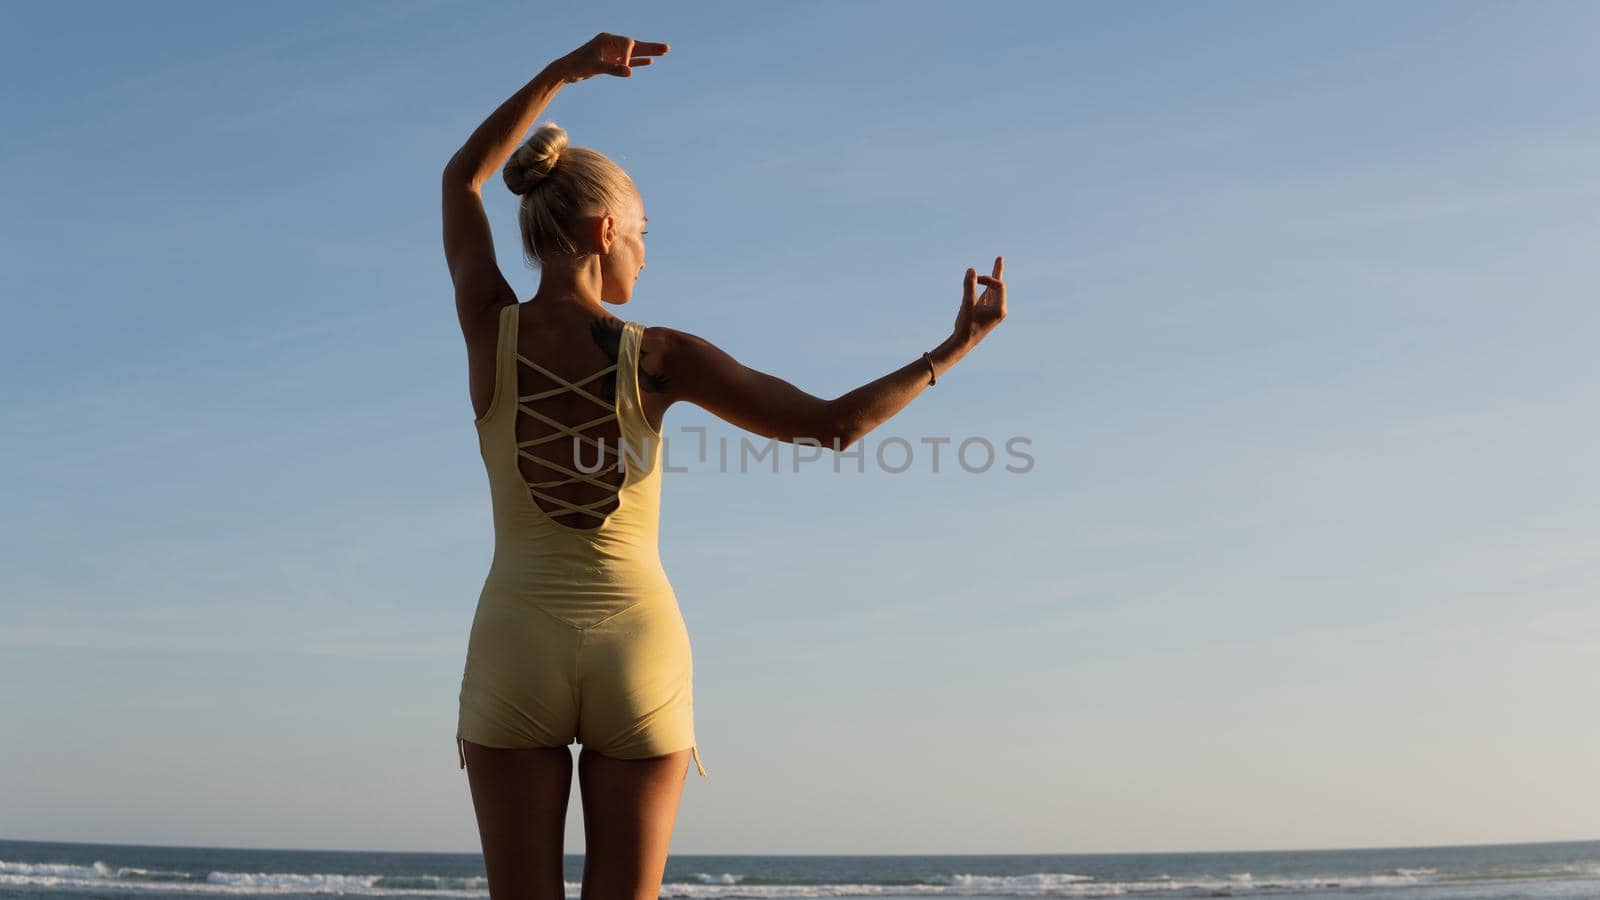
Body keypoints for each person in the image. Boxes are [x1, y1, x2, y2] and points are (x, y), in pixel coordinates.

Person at [440, 31, 1008, 900]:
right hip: (638, 645)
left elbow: (460, 180)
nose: (643, 251)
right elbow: (833, 427)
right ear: (603, 231)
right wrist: (952, 350)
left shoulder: (489, 328)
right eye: (641, 233)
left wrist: (565, 72)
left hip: (514, 640)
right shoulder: (661, 355)